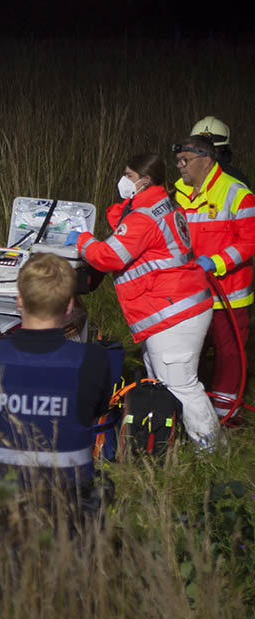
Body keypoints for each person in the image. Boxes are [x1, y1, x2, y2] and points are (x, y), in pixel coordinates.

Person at [66, 153, 219, 447]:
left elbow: (111, 255)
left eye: (129, 176)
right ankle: (168, 440)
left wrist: (82, 240)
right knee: (163, 380)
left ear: (145, 181)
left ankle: (210, 450)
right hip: (175, 306)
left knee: (181, 384)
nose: (123, 181)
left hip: (173, 311)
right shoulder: (163, 204)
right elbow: (125, 223)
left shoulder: (145, 215)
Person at [0, 254, 112, 523]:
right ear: (69, 307)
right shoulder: (94, 360)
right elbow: (90, 416)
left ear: (19, 300)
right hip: (69, 507)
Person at [173, 135, 255, 421]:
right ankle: (189, 410)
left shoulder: (237, 193)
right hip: (191, 291)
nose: (181, 167)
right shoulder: (179, 193)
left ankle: (225, 415)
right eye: (178, 162)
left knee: (229, 355)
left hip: (228, 293)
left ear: (206, 161)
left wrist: (217, 262)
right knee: (190, 352)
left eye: (186, 161)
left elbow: (249, 241)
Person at [191, 116, 249, 188]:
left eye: (210, 149)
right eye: (201, 149)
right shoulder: (185, 181)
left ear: (222, 149)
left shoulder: (237, 181)